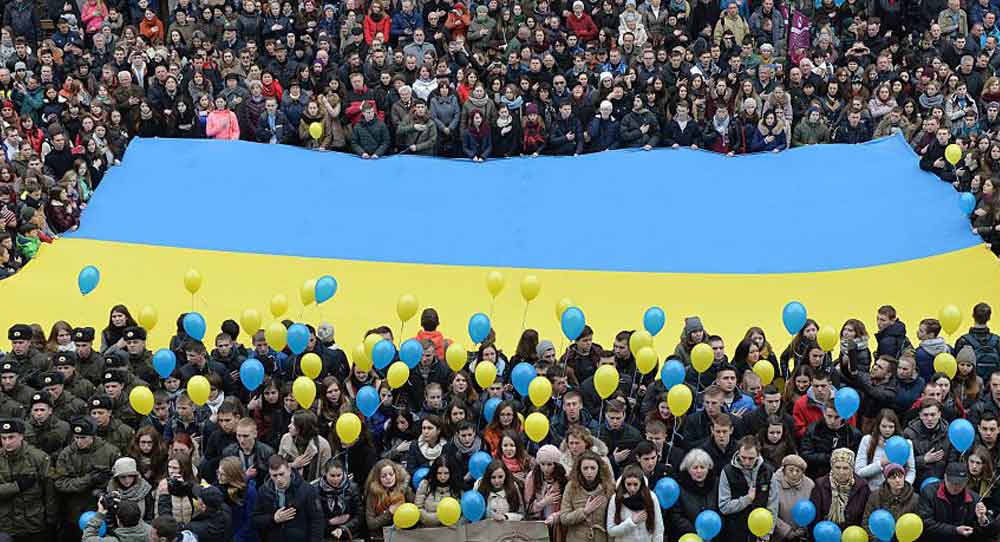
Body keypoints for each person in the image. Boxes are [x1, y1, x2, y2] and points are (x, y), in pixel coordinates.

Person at [918, 462, 1000, 542]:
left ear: (966, 481)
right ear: (945, 477)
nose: (955, 486)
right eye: (952, 482)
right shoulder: (929, 492)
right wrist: (955, 530)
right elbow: (925, 524)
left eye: (960, 483)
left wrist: (982, 520)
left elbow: (989, 533)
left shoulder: (974, 499)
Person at [251, 455, 324, 542]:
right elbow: (255, 519)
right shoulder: (264, 491)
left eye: (281, 474)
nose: (279, 479)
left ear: (289, 470)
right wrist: (274, 519)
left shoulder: (307, 490)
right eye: (274, 476)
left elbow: (317, 521)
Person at [719, 436, 773, 542]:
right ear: (738, 453)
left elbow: (772, 506)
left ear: (758, 455)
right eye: (743, 457)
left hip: (761, 532)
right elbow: (724, 506)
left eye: (751, 458)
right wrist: (747, 499)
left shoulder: (768, 472)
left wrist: (767, 533)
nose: (747, 462)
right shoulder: (727, 472)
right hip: (735, 532)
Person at [561, 450, 615, 542]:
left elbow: (613, 519)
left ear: (599, 468)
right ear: (580, 469)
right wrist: (584, 512)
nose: (589, 472)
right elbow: (564, 518)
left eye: (593, 468)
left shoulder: (608, 487)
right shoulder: (571, 487)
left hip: (600, 537)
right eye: (585, 468)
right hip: (577, 538)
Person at [810, 448, 871, 529]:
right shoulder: (820, 485)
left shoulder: (862, 487)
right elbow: (815, 518)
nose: (841, 472)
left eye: (845, 468)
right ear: (832, 467)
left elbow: (865, 517)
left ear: (851, 468)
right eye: (837, 467)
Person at [606, 464, 663, 542]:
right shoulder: (616, 498)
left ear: (641, 483)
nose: (632, 488)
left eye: (635, 484)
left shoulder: (651, 497)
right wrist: (631, 522)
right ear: (623, 483)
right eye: (628, 484)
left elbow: (658, 529)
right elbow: (611, 531)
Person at [861, 463, 918, 537]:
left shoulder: (914, 498)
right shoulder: (875, 496)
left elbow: (917, 524)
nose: (897, 480)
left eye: (900, 477)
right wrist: (877, 539)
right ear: (887, 480)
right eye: (893, 478)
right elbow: (866, 521)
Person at [767, 454, 815, 542]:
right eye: (791, 470)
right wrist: (787, 531)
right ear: (784, 470)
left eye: (798, 471)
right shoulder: (773, 483)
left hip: (802, 536)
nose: (794, 473)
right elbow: (770, 511)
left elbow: (811, 510)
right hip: (778, 536)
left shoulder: (810, 485)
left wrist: (803, 529)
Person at [312, 459, 361, 540]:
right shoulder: (316, 491)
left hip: (348, 533)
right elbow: (314, 519)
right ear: (325, 474)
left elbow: (359, 515)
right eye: (332, 476)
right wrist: (330, 522)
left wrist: (343, 528)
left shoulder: (352, 488)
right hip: (325, 535)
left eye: (339, 475)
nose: (336, 479)